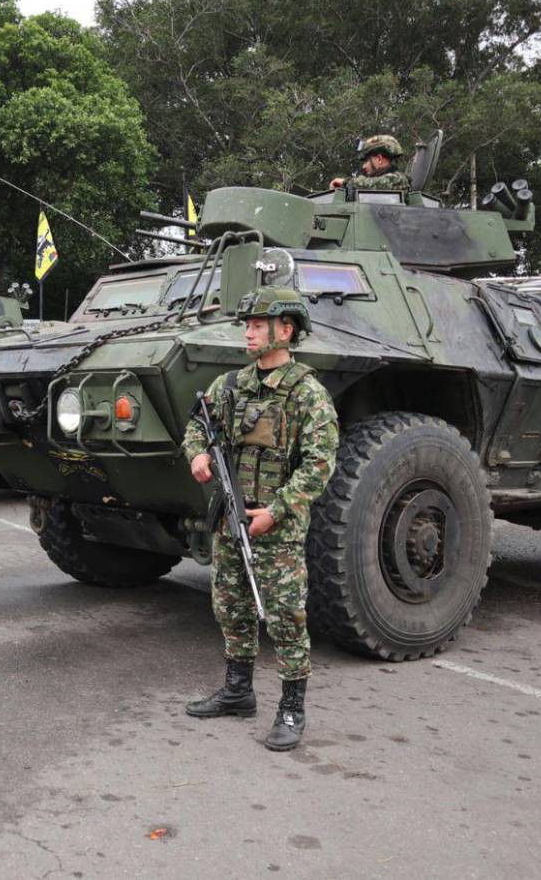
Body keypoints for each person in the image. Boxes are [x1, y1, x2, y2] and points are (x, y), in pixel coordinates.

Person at [181, 288, 339, 751]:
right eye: (246, 324)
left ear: (284, 330)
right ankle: (237, 691)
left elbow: (321, 462)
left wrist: (276, 510)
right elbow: (197, 424)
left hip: (278, 526)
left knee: (286, 616)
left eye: (257, 324)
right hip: (230, 518)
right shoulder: (231, 386)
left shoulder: (307, 393)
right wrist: (197, 456)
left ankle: (292, 707)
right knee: (231, 606)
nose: (247, 332)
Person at [330, 135, 410, 193]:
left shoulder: (398, 180)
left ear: (379, 159)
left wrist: (345, 183)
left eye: (366, 161)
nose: (364, 166)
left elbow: (373, 184)